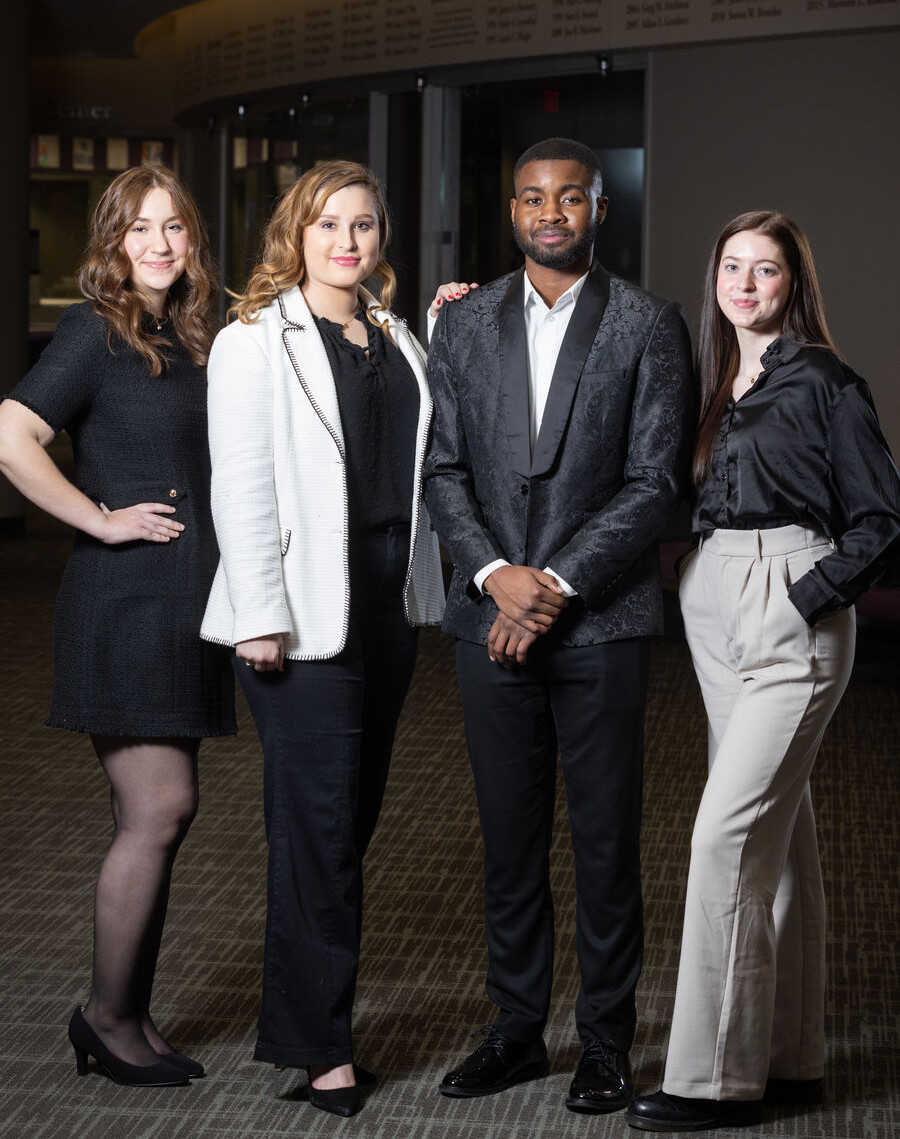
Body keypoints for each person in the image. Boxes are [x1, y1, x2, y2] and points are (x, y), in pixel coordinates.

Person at [423, 137, 694, 1114]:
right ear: (512, 210)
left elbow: (656, 480)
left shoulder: (649, 325)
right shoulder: (462, 325)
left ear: (598, 209)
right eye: (533, 197)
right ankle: (515, 1027)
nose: (550, 213)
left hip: (602, 622)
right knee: (508, 835)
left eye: (569, 198)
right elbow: (443, 470)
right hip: (488, 618)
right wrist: (498, 576)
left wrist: (555, 585)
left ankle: (607, 1041)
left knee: (606, 839)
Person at [625, 212, 900, 1132]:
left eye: (767, 269)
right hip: (712, 599)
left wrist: (800, 595)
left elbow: (883, 519)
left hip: (792, 605)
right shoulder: (714, 380)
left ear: (794, 283)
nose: (745, 284)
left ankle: (712, 1078)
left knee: (724, 841)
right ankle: (792, 1057)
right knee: (782, 840)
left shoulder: (825, 380)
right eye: (732, 267)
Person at [200, 160, 445, 1118]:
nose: (349, 240)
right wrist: (258, 612)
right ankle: (320, 1049)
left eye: (366, 224)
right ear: (294, 233)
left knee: (348, 825)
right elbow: (241, 484)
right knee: (320, 833)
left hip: (384, 611)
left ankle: (311, 1019)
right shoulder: (253, 343)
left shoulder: (397, 339)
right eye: (329, 223)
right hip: (298, 619)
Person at [0, 166, 235, 1087]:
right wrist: (96, 517)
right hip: (126, 599)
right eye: (140, 229)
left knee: (158, 815)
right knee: (160, 806)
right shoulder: (93, 329)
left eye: (175, 228)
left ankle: (127, 1014)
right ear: (111, 240)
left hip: (184, 604)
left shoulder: (190, 334)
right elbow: (12, 433)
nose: (160, 245)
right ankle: (105, 1016)